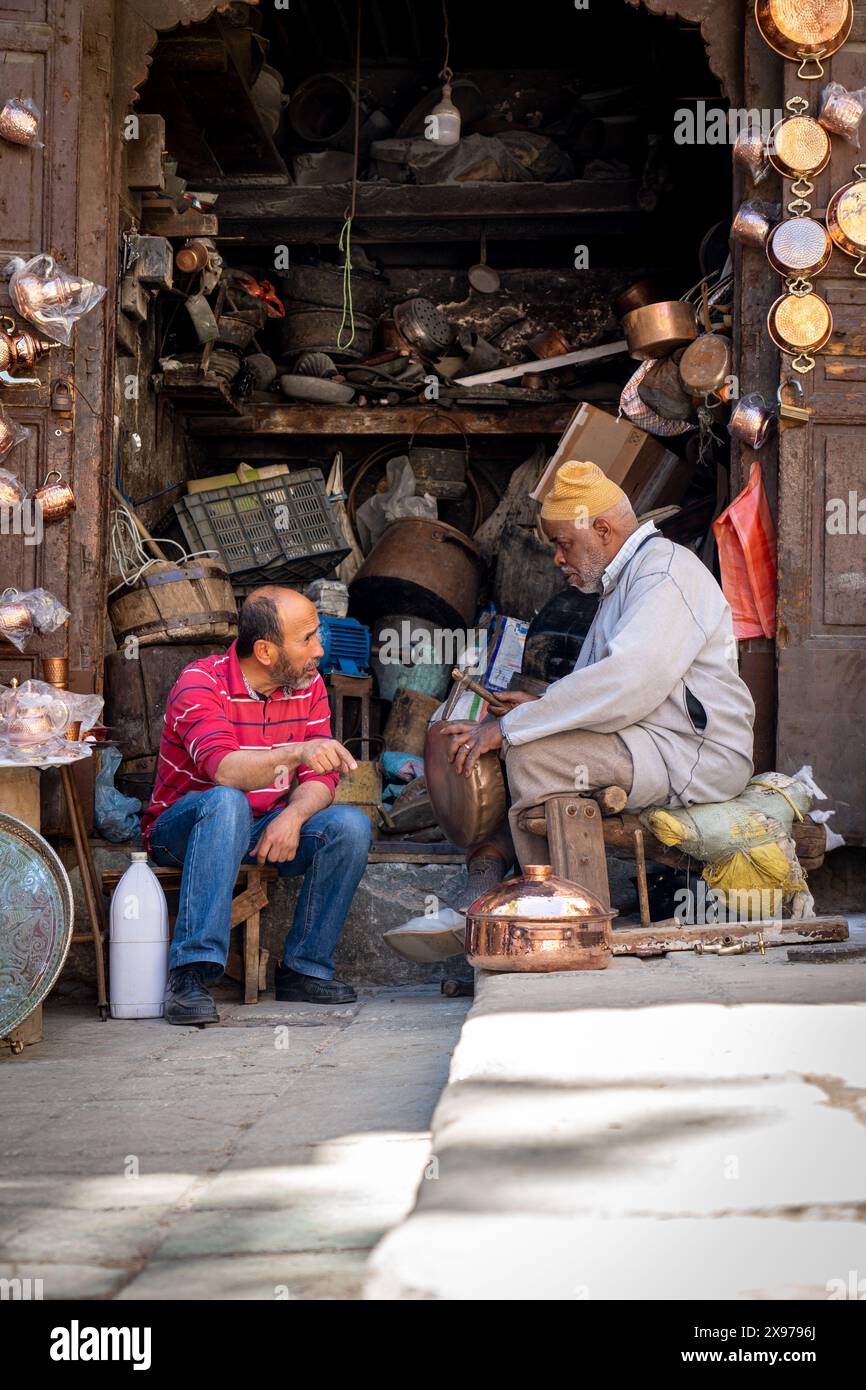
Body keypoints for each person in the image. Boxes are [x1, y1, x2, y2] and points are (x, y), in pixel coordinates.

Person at [444, 458, 756, 909]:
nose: (557, 558)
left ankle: (563, 904)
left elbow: (627, 683)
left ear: (604, 530)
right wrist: (540, 703)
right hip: (650, 739)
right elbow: (607, 685)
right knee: (530, 738)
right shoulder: (625, 580)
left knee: (533, 753)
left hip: (697, 753)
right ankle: (548, 891)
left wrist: (515, 726)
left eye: (564, 543)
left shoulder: (665, 572)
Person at [141, 586, 371, 1025]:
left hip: (262, 826)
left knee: (350, 827)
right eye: (307, 640)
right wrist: (296, 752)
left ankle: (304, 969)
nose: (318, 650)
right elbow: (225, 770)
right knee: (228, 802)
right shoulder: (201, 682)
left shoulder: (309, 686)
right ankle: (189, 974)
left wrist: (293, 815)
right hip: (184, 831)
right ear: (265, 650)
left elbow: (320, 777)